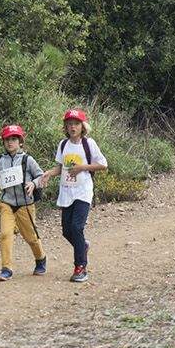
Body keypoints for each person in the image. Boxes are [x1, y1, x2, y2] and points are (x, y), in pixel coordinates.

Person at [0, 125, 50, 281]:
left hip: (25, 205)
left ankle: (40, 258)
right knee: (5, 234)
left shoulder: (27, 160)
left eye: (14, 139)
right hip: (7, 203)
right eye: (7, 139)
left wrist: (34, 184)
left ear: (20, 142)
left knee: (30, 237)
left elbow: (41, 176)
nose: (10, 142)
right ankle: (6, 268)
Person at [54, 109, 106, 284]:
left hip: (83, 191)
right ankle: (83, 246)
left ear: (82, 126)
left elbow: (102, 165)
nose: (72, 127)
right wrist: (47, 174)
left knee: (76, 227)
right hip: (67, 191)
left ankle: (80, 267)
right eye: (69, 124)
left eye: (75, 124)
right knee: (66, 231)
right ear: (66, 127)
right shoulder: (63, 144)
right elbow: (60, 168)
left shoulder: (89, 144)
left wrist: (82, 167)